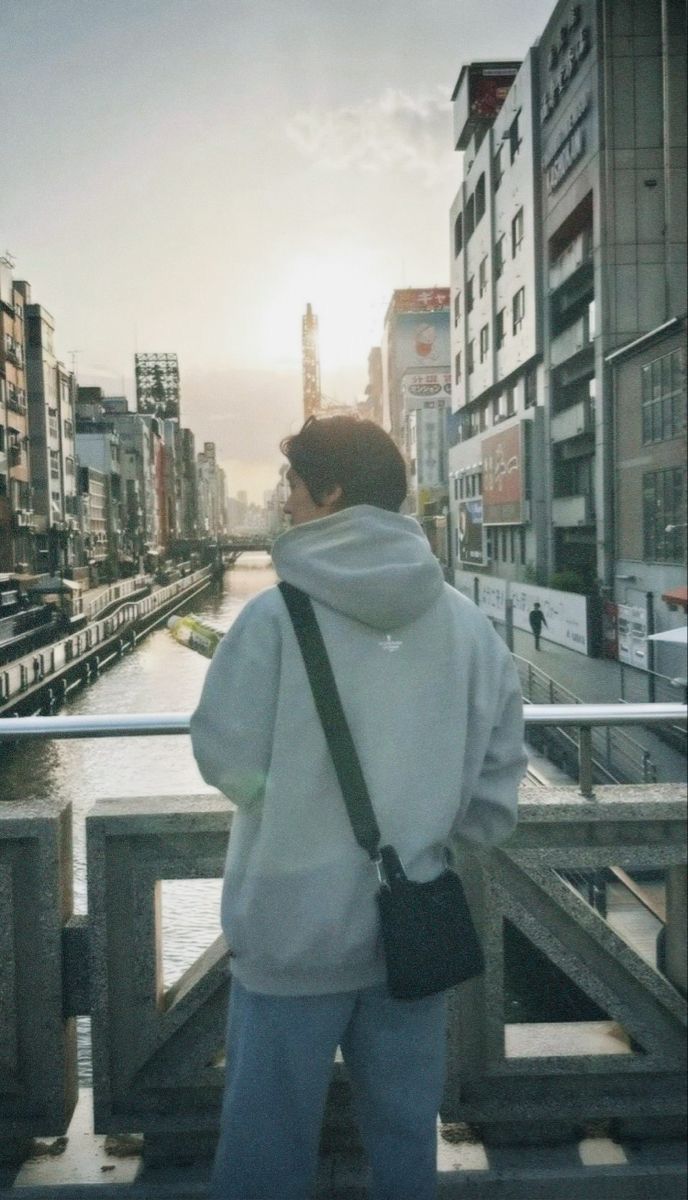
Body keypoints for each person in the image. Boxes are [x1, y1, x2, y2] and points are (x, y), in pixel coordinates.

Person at [190, 414, 526, 1200]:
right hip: (411, 933)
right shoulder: (470, 628)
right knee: (406, 1145)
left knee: (264, 1151)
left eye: (294, 484)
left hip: (287, 932)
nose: (285, 500)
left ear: (331, 491)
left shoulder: (275, 619)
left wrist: (288, 812)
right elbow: (496, 791)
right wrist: (423, 838)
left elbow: (225, 758)